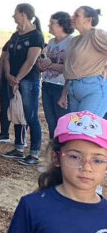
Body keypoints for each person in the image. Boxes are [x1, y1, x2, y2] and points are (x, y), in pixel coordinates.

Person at [1, 4, 45, 166]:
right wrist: (8, 75)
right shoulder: (16, 35)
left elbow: (30, 61)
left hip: (27, 81)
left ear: (23, 15)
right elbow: (7, 57)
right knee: (17, 113)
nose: (13, 16)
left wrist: (16, 79)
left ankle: (34, 153)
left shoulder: (36, 36)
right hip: (14, 79)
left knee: (31, 116)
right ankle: (19, 148)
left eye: (15, 14)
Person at [59, 6, 107, 117]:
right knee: (76, 131)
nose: (72, 18)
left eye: (76, 15)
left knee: (85, 132)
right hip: (73, 90)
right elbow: (70, 69)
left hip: (93, 89)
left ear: (88, 20)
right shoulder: (75, 40)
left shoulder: (97, 34)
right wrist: (64, 93)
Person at [37, 11, 74, 139]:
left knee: (62, 123)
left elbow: (71, 68)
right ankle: (55, 152)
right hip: (47, 84)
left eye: (52, 23)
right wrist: (41, 65)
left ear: (61, 25)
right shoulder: (51, 42)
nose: (49, 25)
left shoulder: (72, 42)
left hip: (62, 87)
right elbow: (44, 64)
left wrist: (49, 65)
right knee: (51, 123)